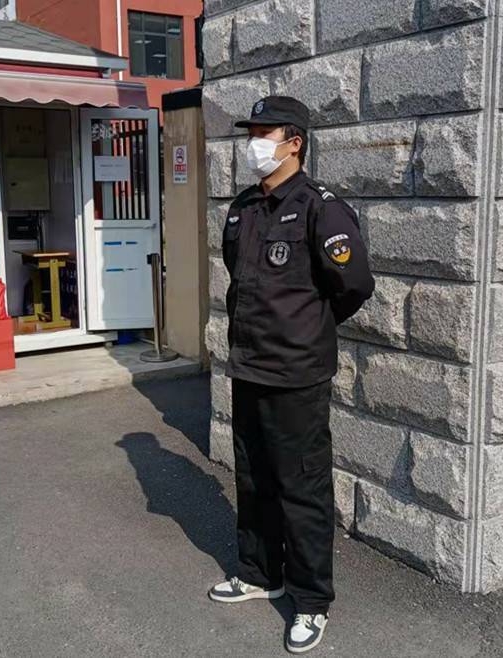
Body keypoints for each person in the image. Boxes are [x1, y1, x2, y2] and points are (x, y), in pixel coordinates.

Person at [208, 96, 375, 654]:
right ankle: (260, 574)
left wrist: (306, 329)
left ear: (294, 142)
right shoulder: (244, 208)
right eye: (250, 133)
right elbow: (239, 273)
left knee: (302, 488)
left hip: (297, 374)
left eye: (264, 133)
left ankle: (310, 601)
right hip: (250, 365)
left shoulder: (320, 209)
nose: (253, 143)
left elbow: (353, 285)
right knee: (253, 477)